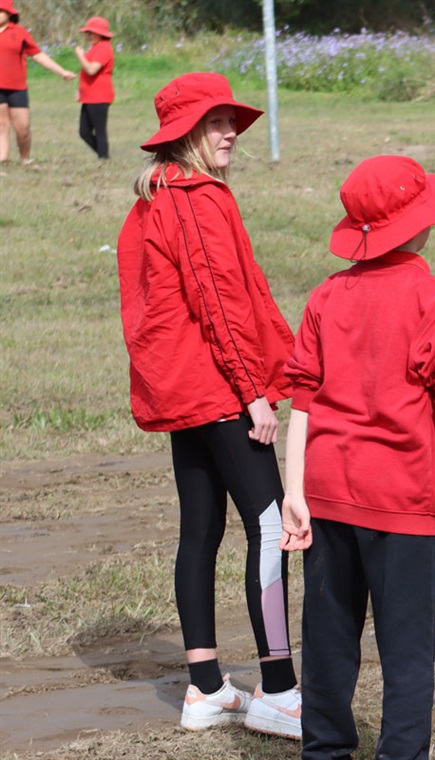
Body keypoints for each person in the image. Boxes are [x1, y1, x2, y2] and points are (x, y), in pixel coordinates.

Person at [279, 155, 435, 760]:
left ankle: (323, 752)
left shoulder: (326, 295)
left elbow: (302, 398)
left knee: (327, 644)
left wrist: (293, 491)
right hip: (402, 505)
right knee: (407, 655)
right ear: (422, 225)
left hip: (324, 493)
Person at [116, 72, 302, 738]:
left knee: (201, 528)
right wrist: (253, 390)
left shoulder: (156, 196)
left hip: (181, 389)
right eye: (216, 122)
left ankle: (205, 689)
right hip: (217, 389)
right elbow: (218, 303)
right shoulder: (196, 199)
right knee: (273, 525)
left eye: (231, 121)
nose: (230, 133)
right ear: (184, 134)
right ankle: (279, 689)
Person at [0, 0, 76, 163]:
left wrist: (61, 72)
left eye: (1, 11)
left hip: (17, 88)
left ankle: (25, 158)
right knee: (2, 126)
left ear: (9, 14)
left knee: (23, 128)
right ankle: (3, 160)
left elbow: (38, 55)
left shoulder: (20, 33)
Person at [73, 16, 114, 159]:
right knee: (84, 131)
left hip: (99, 95)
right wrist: (80, 90)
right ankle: (103, 155)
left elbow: (91, 69)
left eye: (92, 33)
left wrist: (80, 55)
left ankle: (103, 156)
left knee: (99, 130)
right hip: (89, 96)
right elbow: (86, 73)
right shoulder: (96, 48)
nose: (88, 36)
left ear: (100, 34)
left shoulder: (104, 48)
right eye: (87, 33)